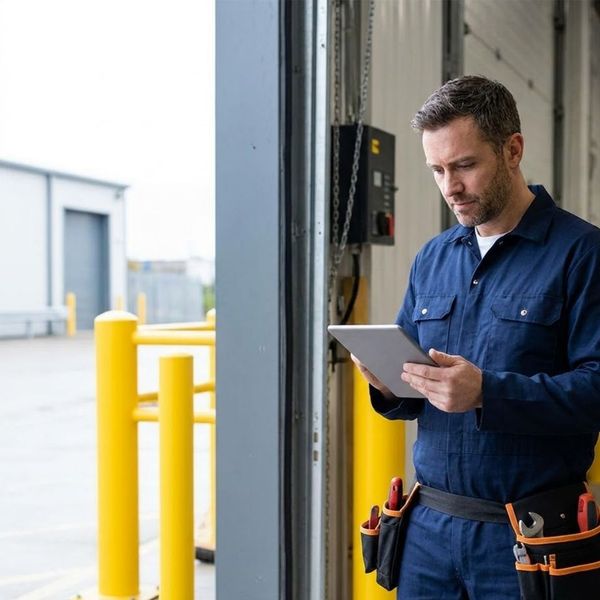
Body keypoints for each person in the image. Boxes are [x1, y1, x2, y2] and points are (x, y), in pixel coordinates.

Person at [352, 75, 600, 599]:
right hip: (427, 535)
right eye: (437, 170)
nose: (450, 187)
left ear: (513, 150)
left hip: (531, 539)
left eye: (465, 165)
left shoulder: (582, 254)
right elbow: (416, 394)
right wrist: (387, 383)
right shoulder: (433, 258)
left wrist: (488, 392)